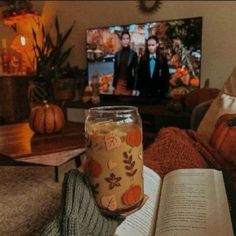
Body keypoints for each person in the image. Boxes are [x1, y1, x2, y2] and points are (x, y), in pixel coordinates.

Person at [113, 31, 138, 96]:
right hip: (119, 83)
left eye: (127, 38)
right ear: (121, 40)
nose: (126, 41)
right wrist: (114, 85)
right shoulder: (117, 54)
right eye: (124, 39)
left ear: (129, 40)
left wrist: (135, 88)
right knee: (117, 103)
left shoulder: (133, 54)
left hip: (128, 83)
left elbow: (136, 72)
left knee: (127, 103)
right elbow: (115, 71)